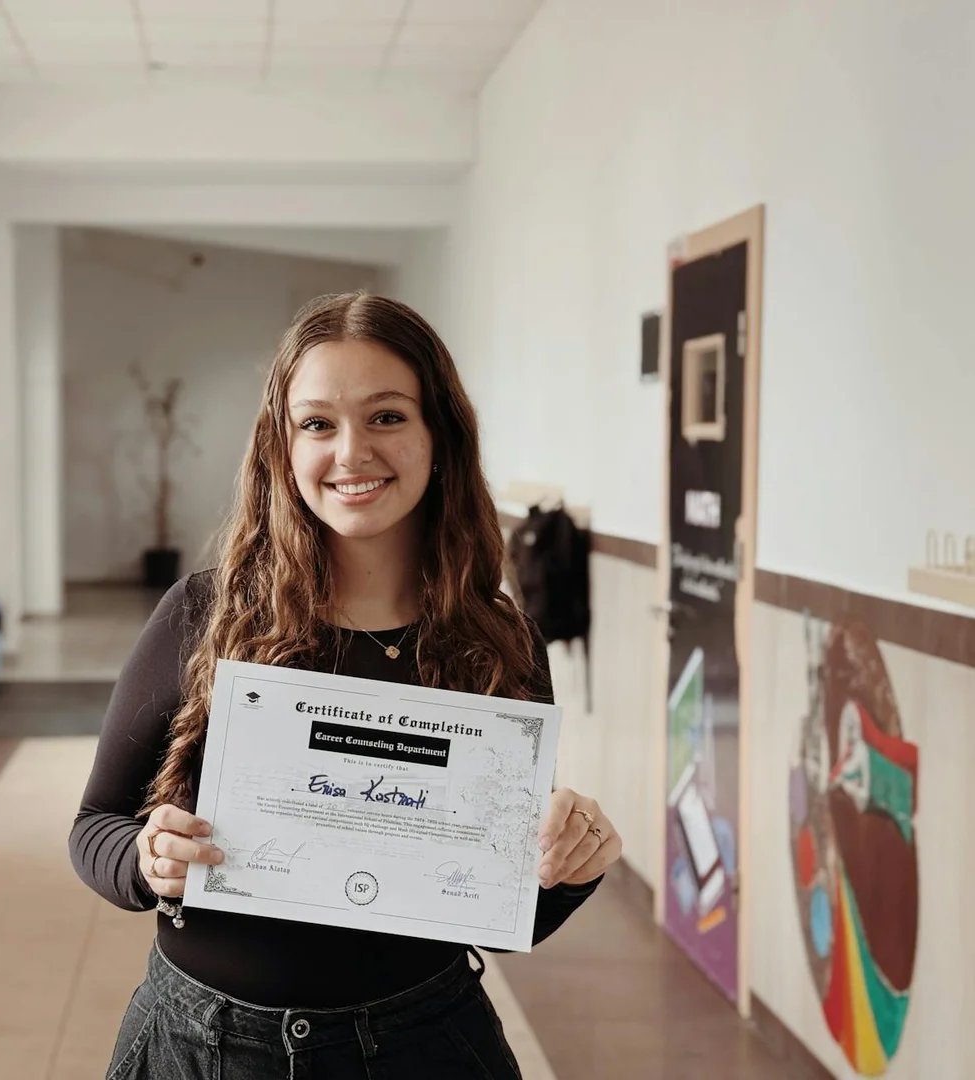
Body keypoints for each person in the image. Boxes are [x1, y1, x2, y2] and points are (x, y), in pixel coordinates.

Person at [70, 292, 622, 1080]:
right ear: (282, 446)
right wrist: (145, 857)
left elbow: (500, 914)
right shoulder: (204, 613)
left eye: (387, 416)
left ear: (440, 435)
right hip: (202, 1049)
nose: (352, 452)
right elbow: (94, 825)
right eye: (318, 424)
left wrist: (574, 866)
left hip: (424, 1047)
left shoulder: (499, 643)